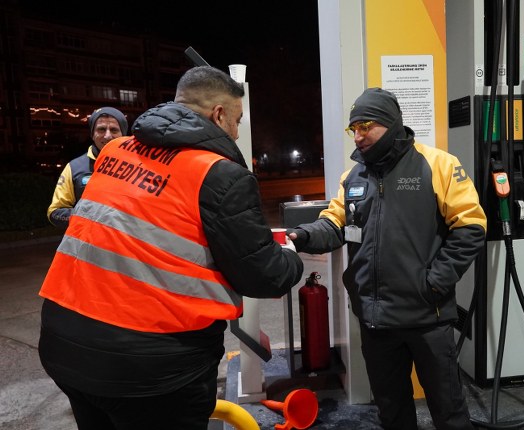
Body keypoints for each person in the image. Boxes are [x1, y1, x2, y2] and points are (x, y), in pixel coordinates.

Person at [38, 66, 304, 430]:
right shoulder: (219, 174)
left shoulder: (115, 152)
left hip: (65, 346)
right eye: (237, 121)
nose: (237, 133)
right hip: (151, 371)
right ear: (219, 114)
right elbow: (264, 275)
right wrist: (289, 254)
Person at [288, 88, 487, 430]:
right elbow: (335, 224)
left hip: (427, 316)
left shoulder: (438, 164)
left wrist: (434, 281)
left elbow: (471, 227)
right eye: (354, 128)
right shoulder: (353, 177)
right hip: (376, 320)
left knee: (449, 412)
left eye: (366, 126)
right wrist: (304, 235)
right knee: (392, 412)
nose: (358, 136)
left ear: (391, 123)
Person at [46, 106, 129, 227]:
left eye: (114, 130)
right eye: (101, 129)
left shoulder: (139, 165)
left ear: (124, 135)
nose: (107, 136)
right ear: (92, 134)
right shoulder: (74, 168)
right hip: (88, 239)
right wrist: (87, 216)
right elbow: (55, 212)